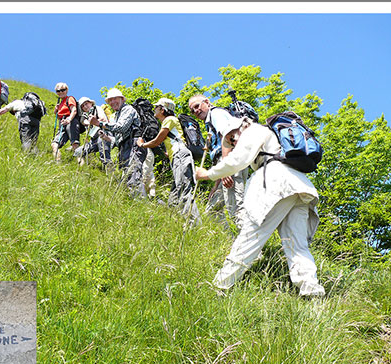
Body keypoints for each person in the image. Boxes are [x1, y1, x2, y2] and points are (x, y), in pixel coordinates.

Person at [195, 115, 326, 297]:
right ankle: (312, 291)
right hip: (298, 186)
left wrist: (207, 174)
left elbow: (236, 161)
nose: (234, 142)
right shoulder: (270, 136)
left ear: (241, 126)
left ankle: (219, 286)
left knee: (252, 234)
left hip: (275, 184)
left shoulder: (253, 130)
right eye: (230, 142)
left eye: (232, 136)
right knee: (296, 243)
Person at [188, 94, 250, 231]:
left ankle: (253, 250)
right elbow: (218, 155)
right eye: (192, 111)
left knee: (236, 210)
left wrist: (225, 169)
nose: (196, 111)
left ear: (207, 102)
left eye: (197, 106)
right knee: (212, 211)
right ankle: (233, 243)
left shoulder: (216, 114)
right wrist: (216, 184)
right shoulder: (210, 122)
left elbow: (227, 136)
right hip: (226, 165)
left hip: (232, 162)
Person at [137, 98, 201, 225]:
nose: (154, 109)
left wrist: (142, 145)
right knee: (173, 198)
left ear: (163, 109)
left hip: (180, 157)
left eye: (157, 107)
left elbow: (157, 141)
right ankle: (180, 222)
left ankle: (194, 224)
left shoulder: (169, 120)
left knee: (184, 190)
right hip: (177, 158)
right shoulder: (170, 121)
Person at [88, 88, 147, 198]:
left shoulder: (128, 109)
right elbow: (118, 139)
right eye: (110, 100)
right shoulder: (116, 115)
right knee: (127, 178)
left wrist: (98, 123)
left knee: (133, 175)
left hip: (134, 145)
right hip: (124, 147)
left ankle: (140, 203)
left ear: (122, 99)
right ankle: (135, 205)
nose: (112, 102)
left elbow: (121, 127)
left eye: (115, 98)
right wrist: (106, 137)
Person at [74, 96, 113, 169]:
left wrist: (92, 122)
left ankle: (111, 174)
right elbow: (84, 123)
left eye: (86, 104)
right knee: (78, 152)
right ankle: (81, 169)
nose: (85, 106)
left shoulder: (97, 108)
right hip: (93, 139)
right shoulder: (85, 116)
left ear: (91, 103)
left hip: (103, 135)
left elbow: (103, 119)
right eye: (82, 106)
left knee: (104, 155)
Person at [51, 83, 80, 162]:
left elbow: (74, 110)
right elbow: (58, 116)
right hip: (62, 123)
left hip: (71, 122)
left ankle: (81, 166)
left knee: (75, 144)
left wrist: (69, 120)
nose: (61, 92)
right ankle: (57, 163)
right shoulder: (60, 103)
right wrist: (55, 110)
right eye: (58, 91)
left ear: (67, 90)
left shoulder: (69, 98)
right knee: (54, 144)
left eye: (63, 90)